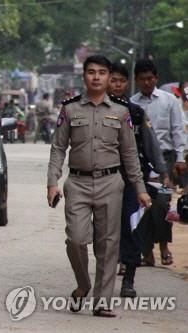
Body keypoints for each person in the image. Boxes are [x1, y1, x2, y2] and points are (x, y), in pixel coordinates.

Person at [47, 55, 151, 317]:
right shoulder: (70, 109)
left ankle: (102, 301)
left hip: (110, 182)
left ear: (108, 77)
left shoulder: (120, 111)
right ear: (84, 76)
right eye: (91, 72)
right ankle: (83, 285)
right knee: (76, 239)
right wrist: (52, 182)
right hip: (78, 183)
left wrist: (140, 188)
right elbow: (58, 148)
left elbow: (130, 154)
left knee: (108, 243)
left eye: (102, 73)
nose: (96, 77)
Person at [108, 62, 168, 298]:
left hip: (132, 179)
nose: (117, 85)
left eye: (121, 81)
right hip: (101, 180)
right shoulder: (92, 110)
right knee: (103, 230)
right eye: (113, 80)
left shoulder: (135, 112)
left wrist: (163, 170)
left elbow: (150, 144)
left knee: (130, 227)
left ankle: (128, 277)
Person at [131, 59, 187, 266]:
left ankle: (162, 246)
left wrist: (180, 158)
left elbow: (177, 130)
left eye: (150, 78)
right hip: (141, 160)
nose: (146, 83)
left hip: (166, 158)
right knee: (143, 205)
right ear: (136, 80)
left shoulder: (169, 100)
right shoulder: (132, 103)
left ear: (156, 78)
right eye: (142, 79)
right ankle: (147, 252)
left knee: (162, 205)